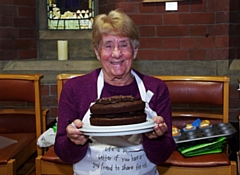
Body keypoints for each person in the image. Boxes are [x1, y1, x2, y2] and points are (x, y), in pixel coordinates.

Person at [54, 9, 176, 175]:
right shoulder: (75, 89)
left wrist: (156, 138)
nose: (117, 53)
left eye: (124, 45)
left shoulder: (156, 88)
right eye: (108, 45)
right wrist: (74, 141)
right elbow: (64, 154)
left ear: (135, 50)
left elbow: (162, 156)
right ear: (97, 52)